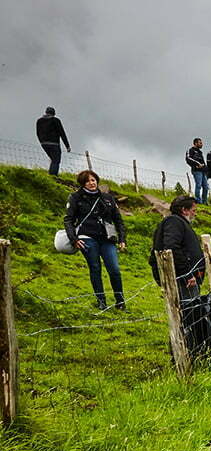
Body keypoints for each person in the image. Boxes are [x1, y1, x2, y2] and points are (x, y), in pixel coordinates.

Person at [64, 170, 127, 310]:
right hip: (87, 237)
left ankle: (120, 301)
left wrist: (122, 239)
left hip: (107, 238)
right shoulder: (75, 198)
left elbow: (118, 220)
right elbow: (68, 220)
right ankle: (101, 301)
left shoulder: (107, 198)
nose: (91, 183)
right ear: (82, 184)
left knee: (114, 269)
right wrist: (73, 239)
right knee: (95, 268)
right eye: (87, 181)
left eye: (93, 180)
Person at [150, 195, 205, 301]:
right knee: (188, 311)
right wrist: (187, 274)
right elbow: (171, 248)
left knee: (190, 311)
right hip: (182, 280)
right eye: (193, 210)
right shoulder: (174, 222)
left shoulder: (179, 223)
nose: (195, 213)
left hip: (186, 278)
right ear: (184, 210)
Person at [36, 106, 70, 176]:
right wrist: (67, 146)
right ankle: (53, 176)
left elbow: (38, 133)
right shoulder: (55, 120)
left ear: (46, 112)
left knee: (53, 159)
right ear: (54, 113)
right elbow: (62, 133)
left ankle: (51, 174)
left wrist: (41, 142)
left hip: (44, 143)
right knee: (56, 160)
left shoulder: (39, 121)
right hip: (54, 143)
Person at [185, 138, 209, 205]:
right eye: (200, 143)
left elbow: (203, 162)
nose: (202, 144)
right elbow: (188, 159)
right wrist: (197, 164)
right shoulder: (190, 150)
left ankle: (204, 202)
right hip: (196, 171)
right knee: (198, 185)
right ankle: (198, 201)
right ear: (195, 143)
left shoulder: (200, 152)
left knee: (206, 187)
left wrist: (206, 169)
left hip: (203, 171)